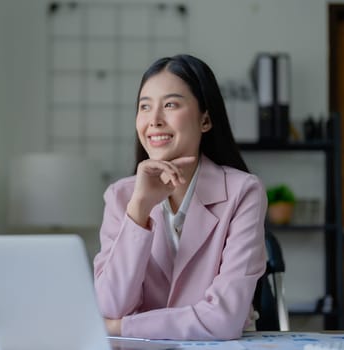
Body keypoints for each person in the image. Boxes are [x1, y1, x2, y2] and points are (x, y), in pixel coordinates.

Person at [93, 54, 267, 341]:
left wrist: (122, 328)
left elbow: (224, 319)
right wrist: (139, 210)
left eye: (170, 104)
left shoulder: (244, 192)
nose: (154, 120)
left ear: (206, 119)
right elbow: (110, 306)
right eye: (144, 107)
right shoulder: (120, 196)